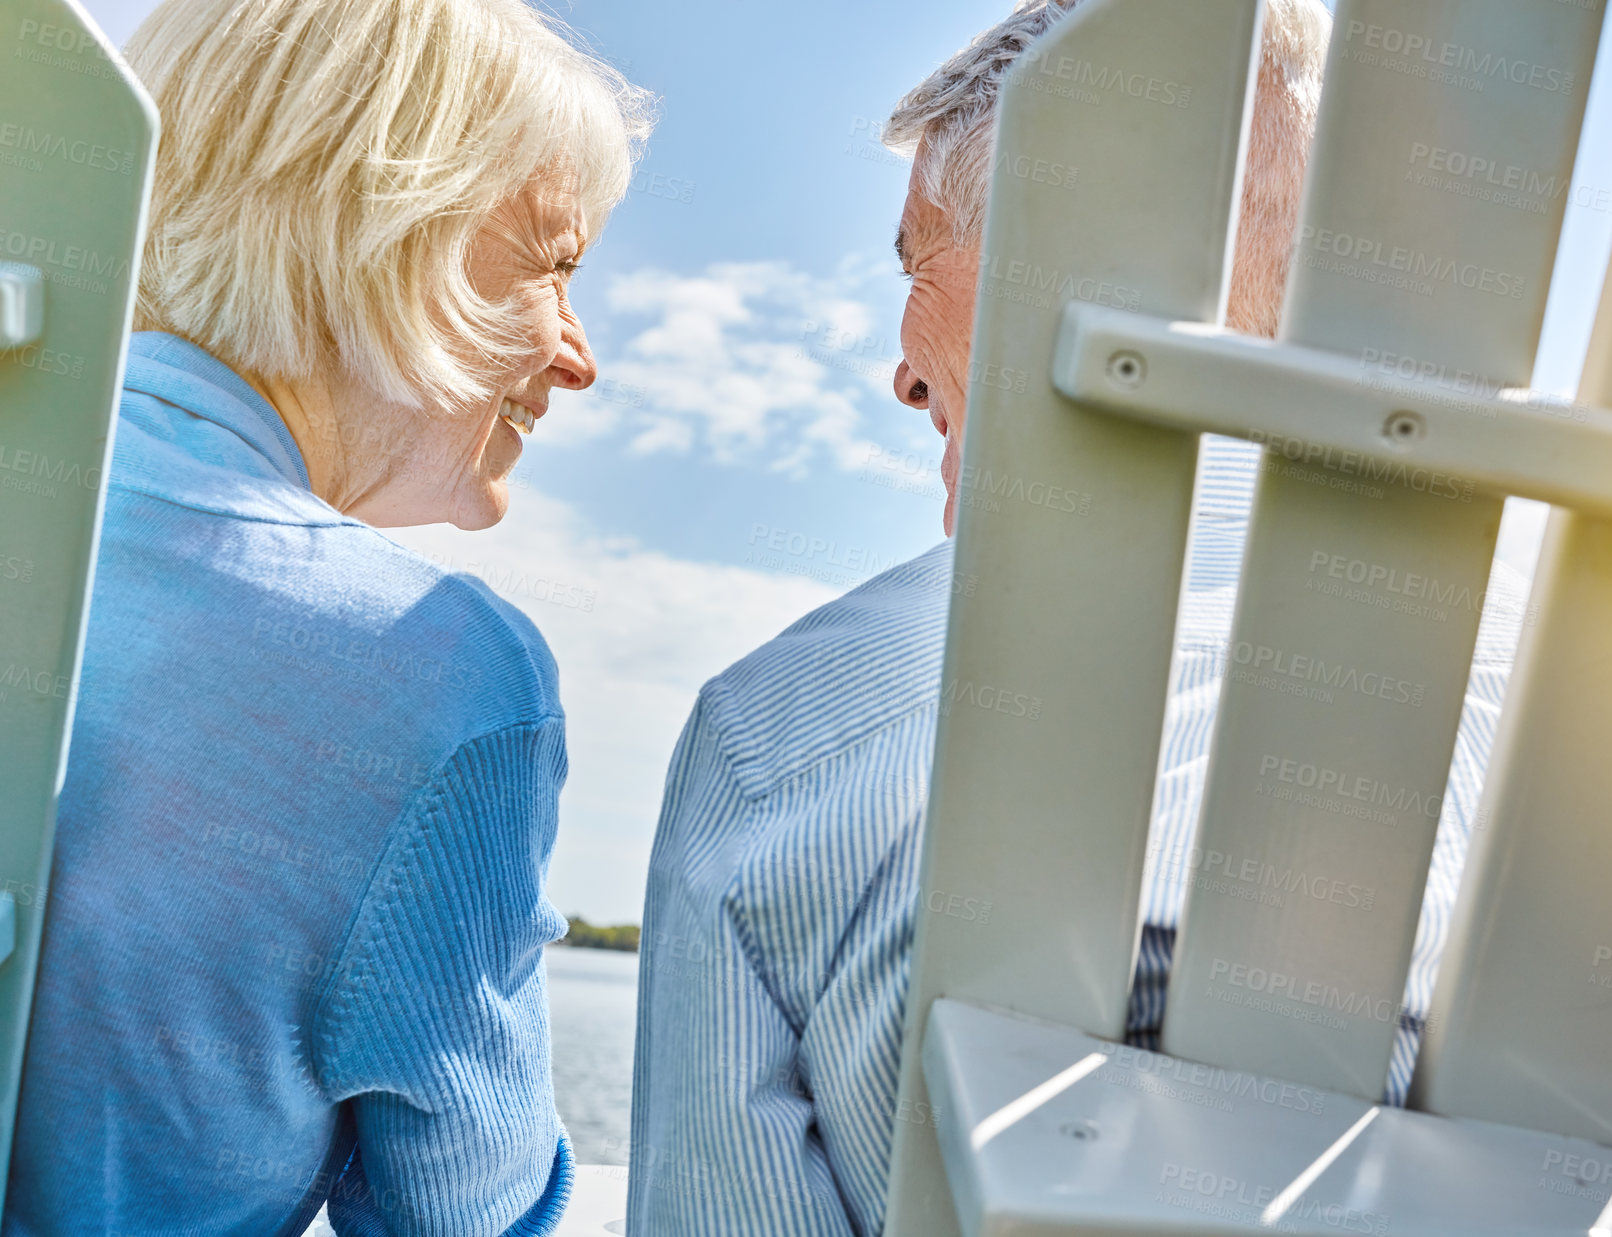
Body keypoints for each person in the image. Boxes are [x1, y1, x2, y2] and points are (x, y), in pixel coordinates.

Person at [627, 1, 1529, 1233]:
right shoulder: (1558, 683)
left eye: (914, 259)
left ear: (1069, 250)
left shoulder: (780, 740)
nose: (899, 367)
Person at [4, 1, 651, 1233]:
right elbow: (464, 1215)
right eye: (557, 263)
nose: (577, 356)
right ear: (386, 222)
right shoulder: (438, 673)